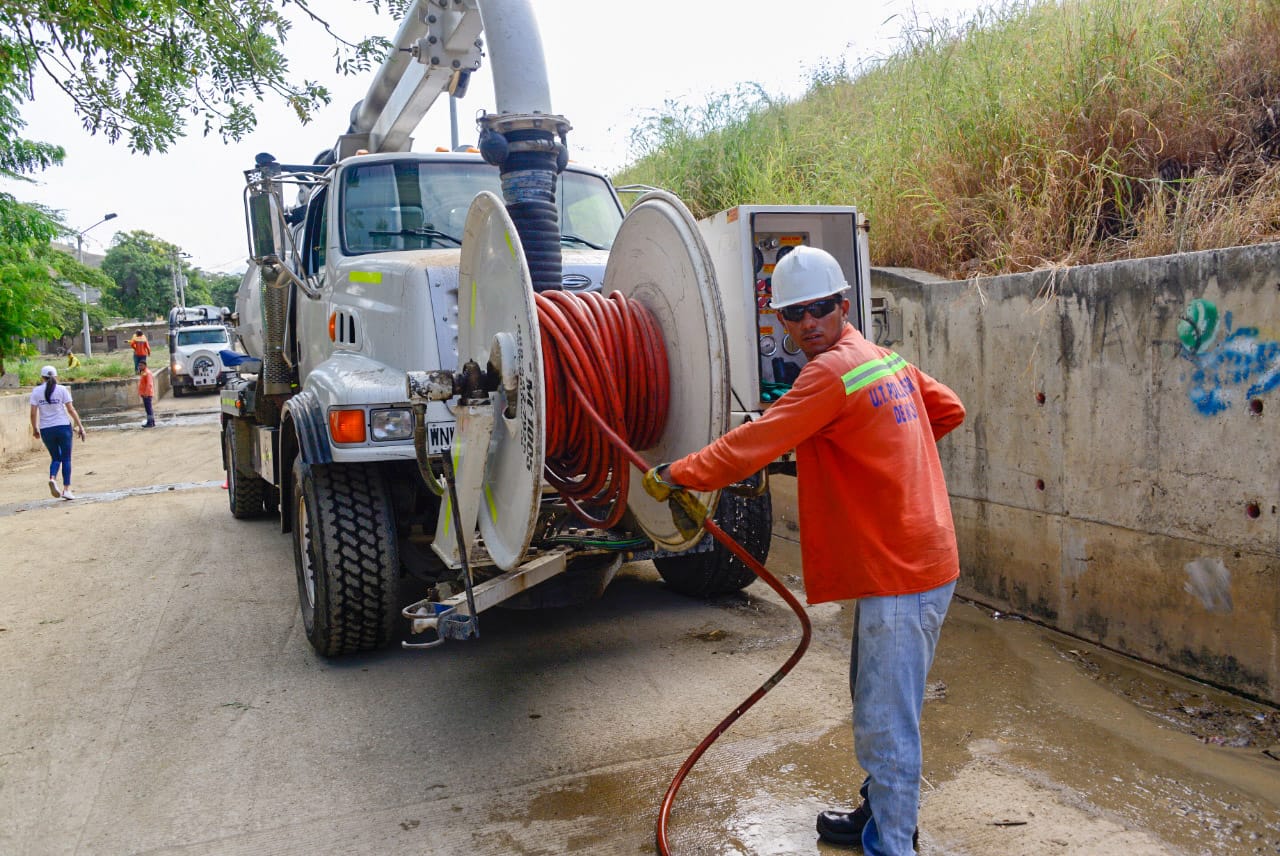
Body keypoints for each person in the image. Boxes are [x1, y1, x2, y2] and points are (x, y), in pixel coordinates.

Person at [643, 245, 965, 855]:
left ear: (843, 305)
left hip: (901, 570)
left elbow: (751, 445)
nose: (808, 322)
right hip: (919, 559)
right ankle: (878, 815)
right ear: (781, 322)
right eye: (795, 313)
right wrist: (883, 459)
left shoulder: (826, 374)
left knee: (886, 723)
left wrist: (677, 474)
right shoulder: (883, 359)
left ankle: (893, 846)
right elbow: (947, 409)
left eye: (820, 308)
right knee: (874, 698)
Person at [29, 365, 87, 500]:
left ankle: (52, 478)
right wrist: (80, 426)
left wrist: (35, 429)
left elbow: (33, 413)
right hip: (63, 428)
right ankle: (67, 489)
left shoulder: (36, 391)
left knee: (56, 457)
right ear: (55, 376)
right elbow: (71, 410)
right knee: (66, 458)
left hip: (46, 429)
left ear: (42, 377)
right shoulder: (62, 390)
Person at [138, 360, 156, 428]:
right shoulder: (144, 372)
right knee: (148, 409)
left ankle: (150, 423)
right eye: (139, 365)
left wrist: (146, 392)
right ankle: (152, 422)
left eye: (141, 365)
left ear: (145, 365)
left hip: (147, 394)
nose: (139, 367)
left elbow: (149, 384)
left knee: (148, 409)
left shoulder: (147, 373)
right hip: (145, 393)